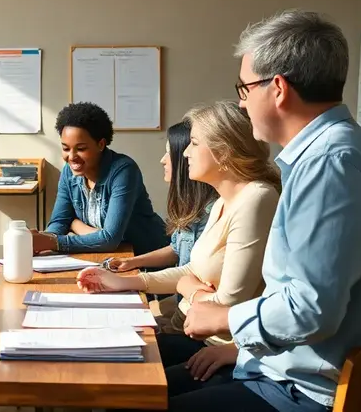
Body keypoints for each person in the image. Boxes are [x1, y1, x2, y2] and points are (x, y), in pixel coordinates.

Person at [180, 10, 361, 412]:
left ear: (277, 89)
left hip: (300, 393)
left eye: (244, 88)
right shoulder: (338, 153)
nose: (242, 104)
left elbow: (310, 310)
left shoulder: (331, 164)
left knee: (133, 398)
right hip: (283, 373)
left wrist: (223, 319)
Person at [78, 100, 281, 397]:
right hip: (202, 337)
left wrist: (189, 287)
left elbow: (228, 306)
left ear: (223, 152)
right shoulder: (223, 199)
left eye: (194, 143)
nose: (184, 152)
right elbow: (191, 271)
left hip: (226, 349)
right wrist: (125, 282)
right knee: (106, 361)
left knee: (124, 391)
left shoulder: (257, 199)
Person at [32, 102, 168, 256]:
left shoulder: (124, 171)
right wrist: (43, 240)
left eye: (81, 149)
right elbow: (59, 221)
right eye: (65, 148)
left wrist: (56, 240)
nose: (71, 157)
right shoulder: (68, 173)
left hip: (147, 258)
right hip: (109, 258)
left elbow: (109, 239)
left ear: (101, 144)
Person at [105, 119, 218, 273]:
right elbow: (176, 249)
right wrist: (132, 262)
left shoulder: (212, 213)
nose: (162, 160)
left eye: (169, 153)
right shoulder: (190, 205)